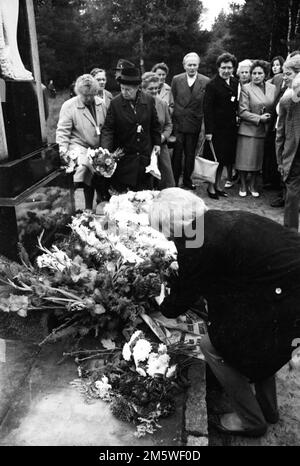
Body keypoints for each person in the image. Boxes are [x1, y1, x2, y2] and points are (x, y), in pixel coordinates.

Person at [149, 187, 300, 438]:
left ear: (172, 224)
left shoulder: (197, 240)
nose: (167, 238)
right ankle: (268, 410)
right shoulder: (212, 220)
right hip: (284, 290)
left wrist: (163, 306)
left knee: (213, 345)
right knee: (266, 345)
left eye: (165, 231)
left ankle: (252, 421)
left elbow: (187, 292)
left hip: (284, 298)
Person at [100, 67, 161, 192]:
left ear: (137, 88)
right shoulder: (115, 103)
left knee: (144, 197)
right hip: (125, 158)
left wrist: (157, 143)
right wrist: (106, 150)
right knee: (124, 199)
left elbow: (155, 124)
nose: (124, 92)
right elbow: (108, 129)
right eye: (122, 88)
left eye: (128, 89)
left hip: (144, 157)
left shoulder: (148, 100)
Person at [56, 74, 108, 211]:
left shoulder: (101, 103)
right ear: (78, 93)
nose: (90, 98)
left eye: (92, 95)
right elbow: (63, 131)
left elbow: (106, 127)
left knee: (103, 168)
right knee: (87, 166)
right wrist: (62, 151)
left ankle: (101, 201)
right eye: (86, 96)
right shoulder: (69, 106)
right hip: (79, 145)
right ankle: (87, 207)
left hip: (97, 146)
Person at [235, 60, 276, 197]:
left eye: (260, 73)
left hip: (265, 130)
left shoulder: (272, 88)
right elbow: (242, 111)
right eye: (254, 73)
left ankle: (253, 185)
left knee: (257, 161)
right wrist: (259, 118)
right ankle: (243, 184)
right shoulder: (246, 88)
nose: (256, 76)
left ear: (265, 74)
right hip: (248, 129)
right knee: (244, 159)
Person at [171, 52, 209, 190]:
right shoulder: (176, 79)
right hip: (179, 123)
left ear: (198, 65)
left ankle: (187, 180)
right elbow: (172, 100)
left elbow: (206, 104)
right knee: (177, 154)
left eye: (195, 65)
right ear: (184, 65)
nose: (192, 68)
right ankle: (174, 181)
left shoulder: (205, 81)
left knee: (190, 153)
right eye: (189, 65)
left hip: (194, 123)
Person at [203, 52, 238, 199]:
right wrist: (209, 131)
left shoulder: (235, 83)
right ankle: (210, 188)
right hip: (216, 130)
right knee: (214, 160)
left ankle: (218, 186)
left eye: (229, 67)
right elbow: (207, 109)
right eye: (223, 67)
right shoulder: (212, 85)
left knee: (223, 160)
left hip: (230, 129)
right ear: (218, 68)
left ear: (233, 68)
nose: (226, 71)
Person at [276, 55, 300, 230]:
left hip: (292, 154)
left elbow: (280, 134)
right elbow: (281, 132)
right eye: (284, 74)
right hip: (293, 154)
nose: (284, 77)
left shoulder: (288, 99)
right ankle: (291, 232)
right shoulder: (287, 99)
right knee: (292, 192)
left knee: (293, 192)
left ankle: (290, 233)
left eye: (288, 74)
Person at [141, 72, 175, 189]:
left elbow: (168, 124)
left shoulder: (162, 104)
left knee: (166, 179)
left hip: (160, 145)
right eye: (151, 88)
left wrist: (163, 137)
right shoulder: (138, 104)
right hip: (144, 146)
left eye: (156, 88)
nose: (154, 91)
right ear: (143, 89)